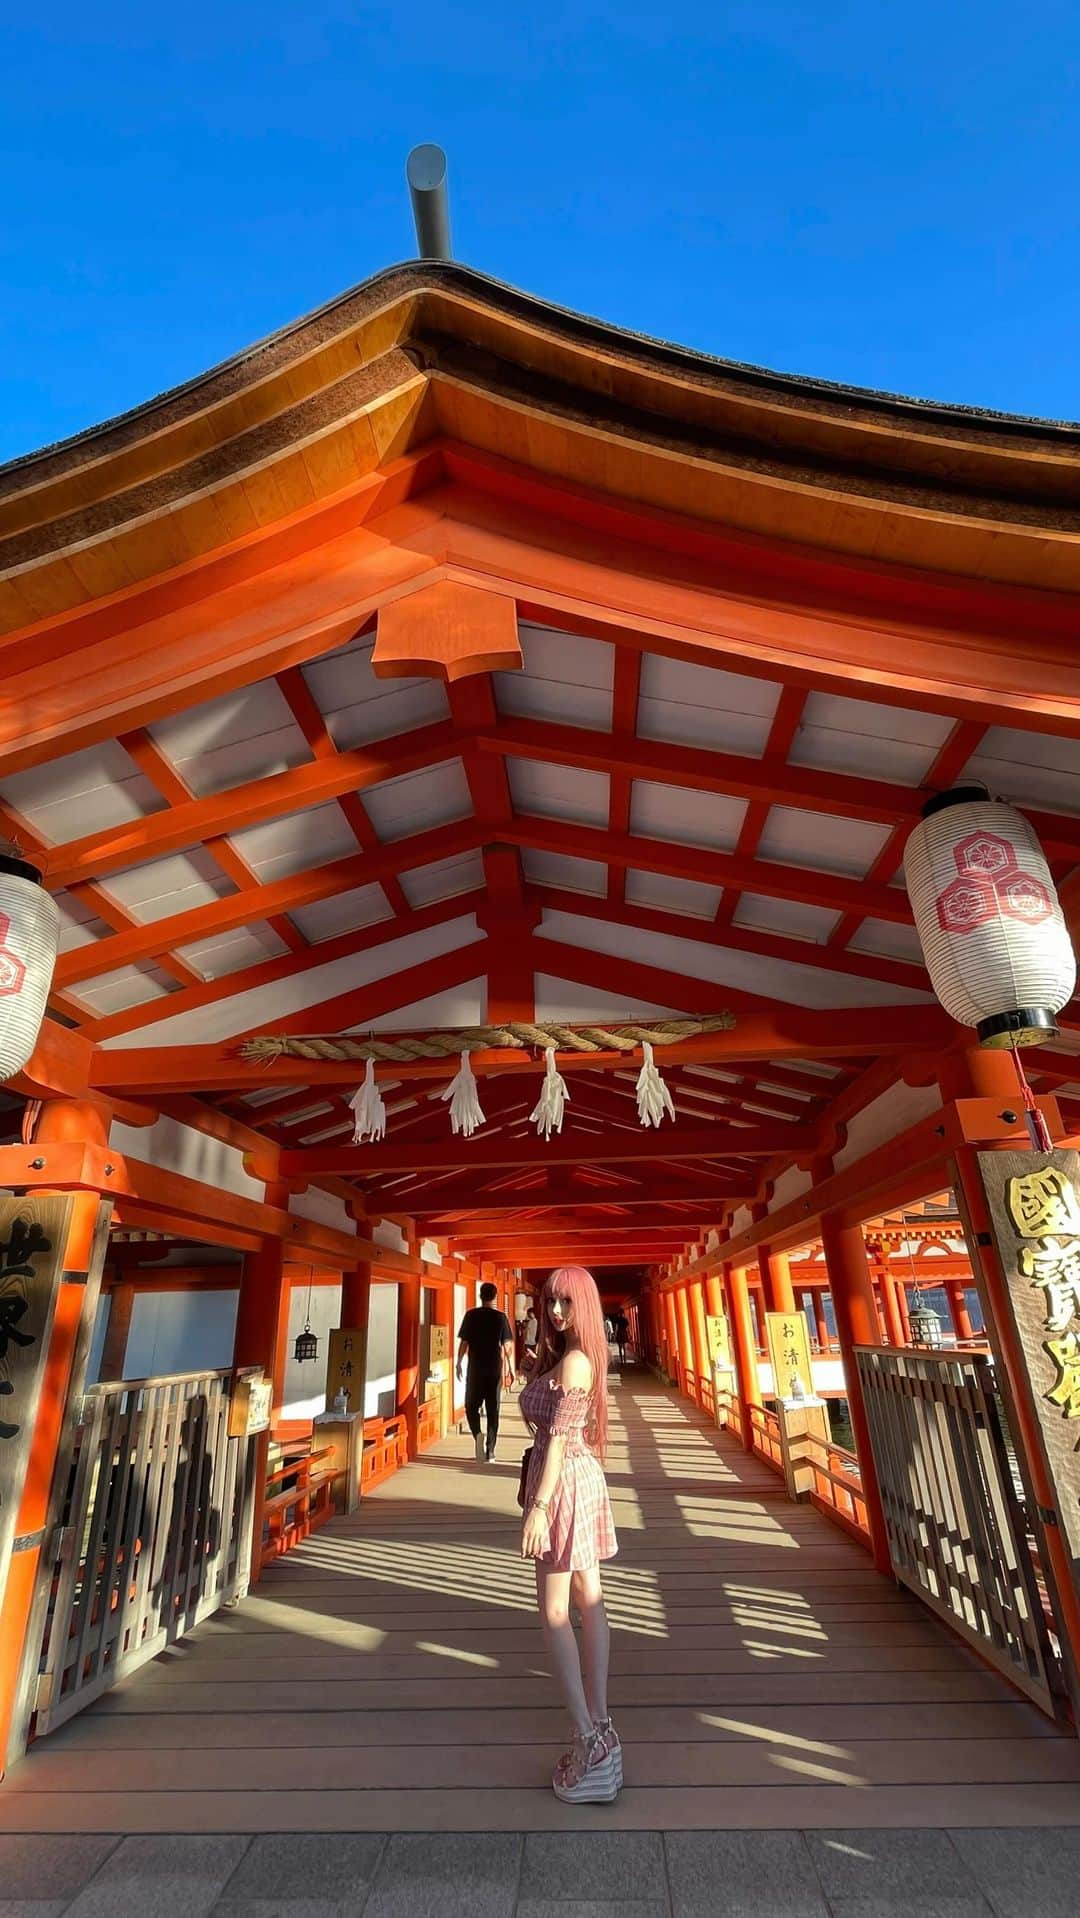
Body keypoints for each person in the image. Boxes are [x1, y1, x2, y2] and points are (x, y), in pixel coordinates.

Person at [520, 1265, 621, 1804]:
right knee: (588, 1599)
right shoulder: (575, 1357)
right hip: (575, 1478)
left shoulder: (576, 1361)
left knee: (556, 1610)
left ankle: (588, 1740)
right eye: (550, 1302)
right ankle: (600, 1729)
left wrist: (538, 1507)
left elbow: (557, 1440)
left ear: (582, 1304)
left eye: (564, 1303)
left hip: (563, 1484)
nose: (555, 1312)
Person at [457, 1282, 514, 1462]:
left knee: (470, 1406)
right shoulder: (500, 1318)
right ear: (495, 1296)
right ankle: (490, 1451)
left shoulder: (471, 1315)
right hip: (494, 1369)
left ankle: (477, 1434)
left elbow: (464, 1343)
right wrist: (511, 1369)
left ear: (480, 1295)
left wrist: (458, 1362)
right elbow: (507, 1346)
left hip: (475, 1368)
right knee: (493, 1409)